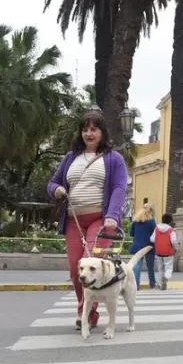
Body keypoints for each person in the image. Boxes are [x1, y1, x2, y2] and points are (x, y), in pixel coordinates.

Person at [48, 109, 128, 331]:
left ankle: (84, 314)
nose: (88, 133)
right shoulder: (70, 158)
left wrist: (112, 216)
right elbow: (52, 183)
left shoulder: (114, 159)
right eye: (85, 129)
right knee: (76, 270)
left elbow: (119, 188)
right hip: (73, 220)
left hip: (100, 220)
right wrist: (57, 189)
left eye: (93, 129)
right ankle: (90, 313)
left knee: (88, 261)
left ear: (102, 132)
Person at [130, 202, 157, 289]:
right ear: (151, 211)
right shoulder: (152, 221)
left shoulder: (135, 221)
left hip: (137, 245)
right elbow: (155, 234)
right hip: (149, 246)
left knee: (137, 266)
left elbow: (131, 233)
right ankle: (152, 283)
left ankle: (136, 285)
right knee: (150, 266)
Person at [151, 213, 178, 290]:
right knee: (169, 268)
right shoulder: (171, 230)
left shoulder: (156, 228)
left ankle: (161, 285)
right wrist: (175, 248)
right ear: (170, 221)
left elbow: (152, 239)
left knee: (160, 269)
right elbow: (174, 241)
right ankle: (166, 277)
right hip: (168, 252)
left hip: (159, 252)